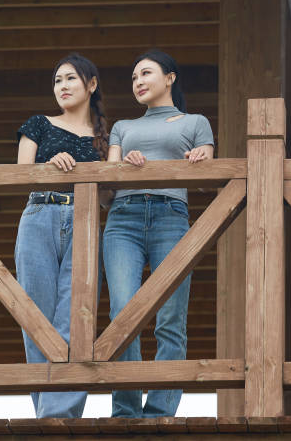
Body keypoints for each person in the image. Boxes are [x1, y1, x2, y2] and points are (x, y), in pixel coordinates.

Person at [103, 49, 214, 417]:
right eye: (134, 78)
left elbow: (207, 175)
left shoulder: (195, 122)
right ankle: (126, 409)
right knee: (123, 314)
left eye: (146, 73)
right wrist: (126, 165)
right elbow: (109, 177)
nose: (138, 82)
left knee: (170, 317)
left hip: (171, 216)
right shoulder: (122, 127)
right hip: (123, 219)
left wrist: (200, 158)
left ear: (170, 78)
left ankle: (161, 411)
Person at [14, 52, 108, 418]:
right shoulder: (38, 124)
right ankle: (50, 414)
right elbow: (21, 173)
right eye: (57, 81)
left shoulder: (106, 137)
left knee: (76, 318)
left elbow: (110, 196)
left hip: (85, 221)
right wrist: (50, 166)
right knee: (35, 318)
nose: (63, 86)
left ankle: (57, 416)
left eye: (70, 79)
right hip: (39, 215)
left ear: (91, 84)